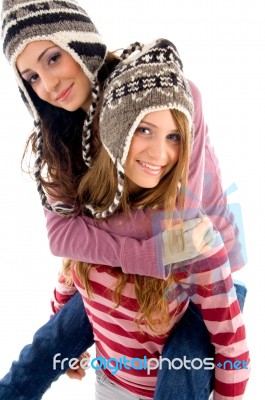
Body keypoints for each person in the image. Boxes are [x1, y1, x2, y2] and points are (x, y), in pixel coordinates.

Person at [0, 0, 247, 399]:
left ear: (78, 42)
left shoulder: (161, 95)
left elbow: (176, 226)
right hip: (119, 273)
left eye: (53, 57)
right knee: (42, 352)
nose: (48, 84)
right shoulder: (59, 138)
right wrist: (128, 256)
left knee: (178, 375)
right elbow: (61, 240)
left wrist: (91, 231)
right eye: (31, 76)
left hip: (197, 271)